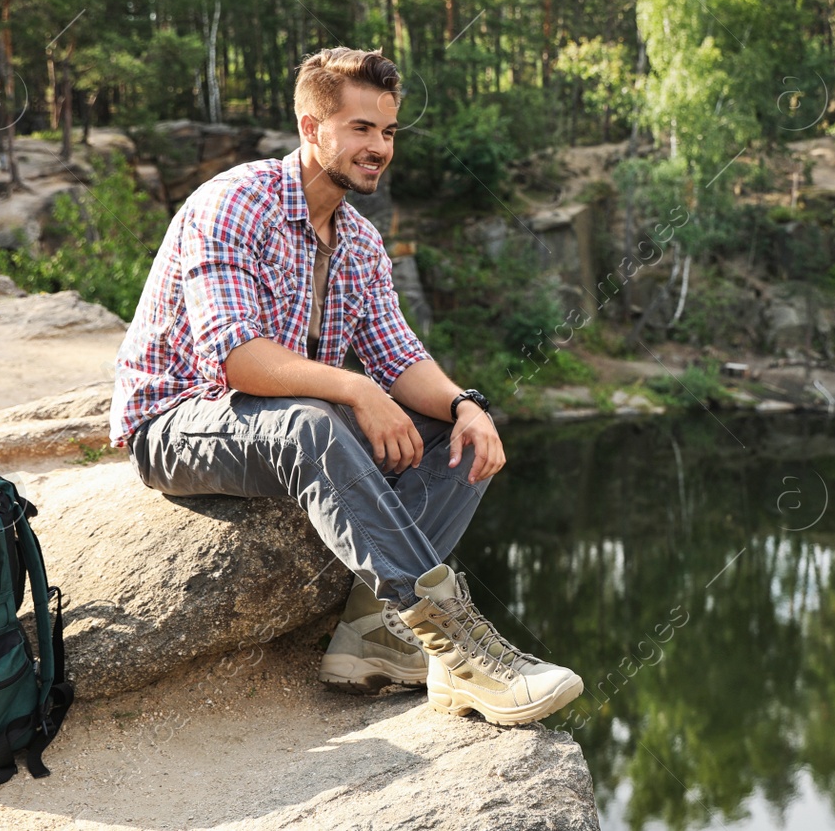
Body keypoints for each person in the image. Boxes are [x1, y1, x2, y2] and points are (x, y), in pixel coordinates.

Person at [108, 47, 582, 726]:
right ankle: (465, 649)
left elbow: (397, 353)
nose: (379, 148)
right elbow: (237, 358)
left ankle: (374, 637)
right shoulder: (234, 203)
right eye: (361, 128)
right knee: (314, 423)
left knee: (459, 437)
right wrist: (358, 392)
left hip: (273, 416)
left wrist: (464, 404)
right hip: (178, 419)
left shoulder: (358, 239)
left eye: (387, 132)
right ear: (311, 127)